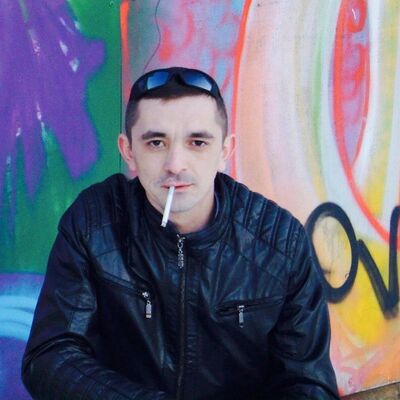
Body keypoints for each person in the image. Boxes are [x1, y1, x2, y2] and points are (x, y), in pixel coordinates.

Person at [22, 67, 339, 400]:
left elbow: (308, 383)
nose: (175, 164)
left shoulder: (280, 242)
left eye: (197, 142)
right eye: (156, 143)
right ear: (128, 151)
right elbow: (51, 357)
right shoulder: (94, 224)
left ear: (225, 151)